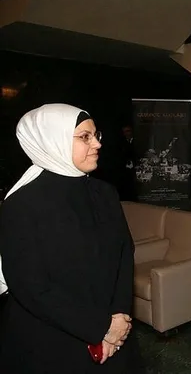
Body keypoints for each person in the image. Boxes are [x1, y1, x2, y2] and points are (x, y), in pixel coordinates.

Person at [0, 103, 142, 373]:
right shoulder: (21, 205)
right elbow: (30, 287)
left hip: (115, 332)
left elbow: (125, 254)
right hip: (52, 341)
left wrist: (119, 320)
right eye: (85, 137)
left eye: (96, 135)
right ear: (53, 141)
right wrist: (100, 327)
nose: (97, 144)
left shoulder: (105, 192)